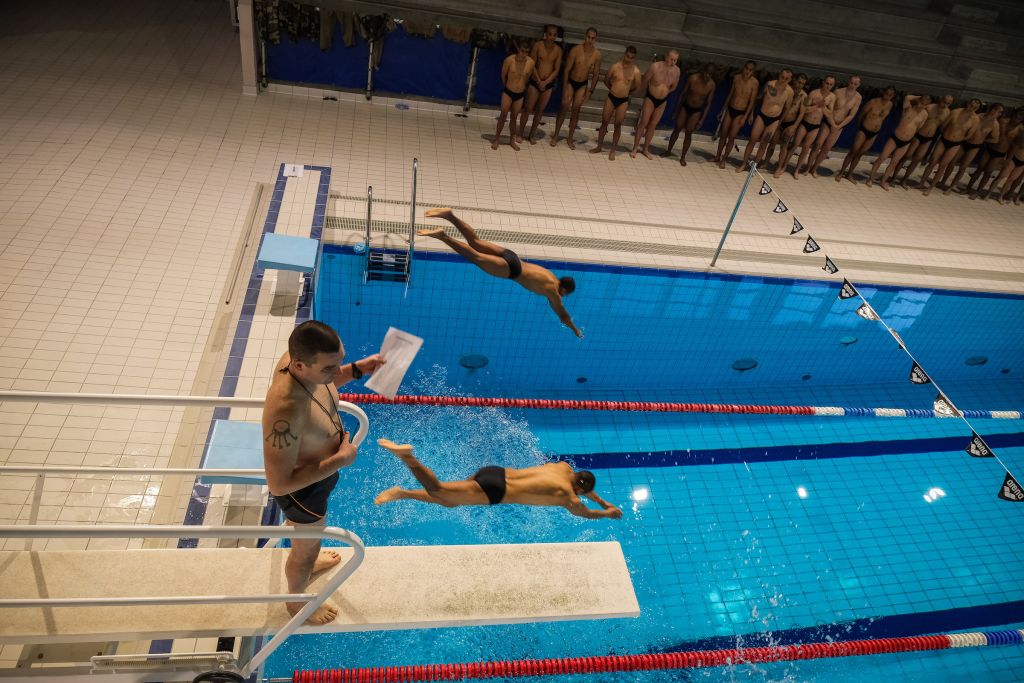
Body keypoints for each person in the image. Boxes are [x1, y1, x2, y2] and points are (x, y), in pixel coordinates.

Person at [262, 321, 386, 624]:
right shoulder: (286, 409)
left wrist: (358, 368)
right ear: (301, 364)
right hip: (303, 492)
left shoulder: (304, 366)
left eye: (339, 362)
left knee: (308, 544)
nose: (335, 373)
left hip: (320, 475)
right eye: (330, 368)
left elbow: (327, 383)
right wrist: (341, 460)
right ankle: (296, 602)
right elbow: (278, 484)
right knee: (304, 551)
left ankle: (309, 556)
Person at [418, 208, 583, 337]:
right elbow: (562, 314)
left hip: (513, 257)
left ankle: (449, 215)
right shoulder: (553, 292)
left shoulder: (550, 276)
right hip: (512, 271)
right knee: (474, 256)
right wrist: (575, 329)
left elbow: (550, 300)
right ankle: (442, 236)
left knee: (475, 242)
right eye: (566, 295)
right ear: (565, 290)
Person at [374, 439, 623, 519]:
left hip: (494, 472)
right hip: (495, 490)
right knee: (438, 490)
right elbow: (585, 514)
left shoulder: (564, 468)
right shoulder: (568, 497)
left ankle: (402, 493)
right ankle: (408, 458)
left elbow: (585, 489)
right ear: (578, 490)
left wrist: (602, 500)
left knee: (450, 501)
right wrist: (607, 513)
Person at [550, 27, 602, 150]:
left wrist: (591, 91)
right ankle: (556, 135)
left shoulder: (597, 55)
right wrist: (565, 88)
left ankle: (570, 138)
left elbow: (596, 74)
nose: (590, 40)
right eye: (588, 37)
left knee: (576, 109)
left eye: (593, 38)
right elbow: (567, 70)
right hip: (571, 82)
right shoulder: (576, 50)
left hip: (582, 84)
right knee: (564, 106)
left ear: (596, 39)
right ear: (585, 36)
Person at [774, 75, 835, 179]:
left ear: (833, 86)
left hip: (816, 126)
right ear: (823, 82)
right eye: (827, 83)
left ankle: (797, 169)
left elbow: (829, 114)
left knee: (806, 148)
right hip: (805, 123)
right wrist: (816, 106)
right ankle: (784, 166)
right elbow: (805, 110)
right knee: (795, 145)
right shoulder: (813, 93)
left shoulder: (832, 97)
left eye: (830, 84)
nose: (828, 86)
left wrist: (823, 106)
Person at [865, 94, 931, 190]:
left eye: (925, 104)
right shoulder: (908, 108)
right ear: (918, 101)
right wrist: (919, 97)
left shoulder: (924, 115)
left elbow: (918, 128)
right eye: (921, 102)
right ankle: (870, 179)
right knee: (882, 158)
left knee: (894, 162)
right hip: (895, 138)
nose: (922, 106)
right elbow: (907, 97)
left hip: (906, 142)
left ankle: (883, 181)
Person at [919, 98, 982, 196]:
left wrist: (959, 138)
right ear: (968, 103)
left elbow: (969, 135)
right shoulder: (955, 112)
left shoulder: (975, 120)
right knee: (933, 161)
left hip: (955, 144)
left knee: (943, 166)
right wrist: (945, 135)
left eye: (975, 108)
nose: (971, 109)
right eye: (971, 106)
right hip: (944, 140)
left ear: (977, 109)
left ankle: (930, 188)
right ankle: (921, 183)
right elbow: (944, 126)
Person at [737, 68, 794, 171]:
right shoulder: (769, 85)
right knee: (752, 139)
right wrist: (751, 114)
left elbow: (787, 108)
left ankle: (754, 166)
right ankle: (744, 164)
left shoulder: (789, 92)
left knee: (764, 143)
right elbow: (758, 99)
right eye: (782, 77)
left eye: (786, 79)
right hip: (762, 116)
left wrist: (779, 122)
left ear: (790, 80)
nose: (784, 80)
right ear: (779, 76)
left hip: (774, 120)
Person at [836, 86, 895, 183]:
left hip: (874, 133)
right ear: (883, 93)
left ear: (893, 96)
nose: (888, 96)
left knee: (860, 153)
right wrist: (860, 128)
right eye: (887, 94)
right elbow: (861, 115)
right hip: (863, 130)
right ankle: (841, 172)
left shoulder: (890, 105)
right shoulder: (873, 102)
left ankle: (849, 174)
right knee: (854, 151)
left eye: (890, 95)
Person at [591, 46, 641, 160]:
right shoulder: (615, 67)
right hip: (611, 97)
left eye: (631, 58)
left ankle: (613, 150)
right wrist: (612, 89)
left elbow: (638, 87)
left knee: (617, 125)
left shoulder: (636, 71)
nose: (628, 59)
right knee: (604, 121)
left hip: (623, 101)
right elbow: (606, 80)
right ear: (624, 54)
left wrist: (628, 93)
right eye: (627, 56)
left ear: (634, 58)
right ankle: (599, 146)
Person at [941, 102, 1002, 195]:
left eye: (999, 112)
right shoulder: (978, 117)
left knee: (963, 167)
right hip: (964, 142)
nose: (996, 113)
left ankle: (951, 186)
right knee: (952, 162)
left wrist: (983, 139)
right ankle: (943, 182)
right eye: (995, 109)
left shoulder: (995, 125)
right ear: (990, 109)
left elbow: (995, 139)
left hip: (975, 146)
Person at [662, 63, 716, 165]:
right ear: (702, 71)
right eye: (706, 73)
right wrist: (676, 111)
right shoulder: (693, 78)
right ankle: (668, 151)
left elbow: (708, 104)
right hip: (685, 106)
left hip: (697, 111)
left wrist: (702, 120)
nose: (707, 76)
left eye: (710, 74)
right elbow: (682, 94)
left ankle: (682, 157)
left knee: (689, 132)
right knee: (677, 128)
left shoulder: (711, 85)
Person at [630, 50, 681, 159]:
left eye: (675, 60)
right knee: (643, 123)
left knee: (653, 125)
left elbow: (674, 87)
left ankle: (645, 149)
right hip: (650, 98)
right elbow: (645, 81)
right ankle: (635, 148)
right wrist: (640, 94)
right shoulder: (655, 67)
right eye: (671, 59)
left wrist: (665, 93)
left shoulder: (677, 71)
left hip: (663, 101)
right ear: (666, 56)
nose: (673, 62)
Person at [517, 25, 563, 145]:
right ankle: (520, 133)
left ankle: (531, 135)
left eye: (554, 35)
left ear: (556, 36)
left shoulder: (558, 50)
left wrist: (546, 82)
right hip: (535, 81)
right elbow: (532, 64)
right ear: (545, 34)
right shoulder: (538, 46)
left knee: (540, 111)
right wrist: (538, 81)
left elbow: (557, 70)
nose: (552, 37)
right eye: (550, 34)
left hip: (547, 84)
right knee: (528, 108)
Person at [895, 94, 953, 188]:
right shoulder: (929, 107)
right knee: (907, 156)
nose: (945, 105)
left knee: (917, 159)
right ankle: (894, 177)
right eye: (944, 102)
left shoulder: (947, 113)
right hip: (918, 135)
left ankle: (904, 180)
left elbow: (941, 127)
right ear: (940, 99)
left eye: (948, 104)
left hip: (929, 138)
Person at [808, 75, 861, 177]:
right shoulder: (838, 92)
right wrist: (832, 123)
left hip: (839, 126)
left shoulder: (858, 98)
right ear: (848, 82)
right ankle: (808, 167)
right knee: (818, 144)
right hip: (828, 122)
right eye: (851, 83)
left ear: (858, 85)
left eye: (855, 84)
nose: (852, 86)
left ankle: (814, 168)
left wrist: (838, 126)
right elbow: (829, 108)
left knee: (826, 149)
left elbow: (851, 115)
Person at [970, 107, 1024, 200]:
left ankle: (977, 192)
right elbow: (990, 125)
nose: (1016, 119)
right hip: (990, 148)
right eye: (1016, 116)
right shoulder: (1002, 121)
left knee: (988, 172)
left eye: (1019, 118)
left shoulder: (1020, 130)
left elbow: (1015, 147)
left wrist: (1008, 159)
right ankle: (968, 188)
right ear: (1013, 114)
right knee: (979, 168)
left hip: (1001, 153)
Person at [714, 61, 759, 169]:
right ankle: (717, 156)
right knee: (723, 134)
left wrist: (746, 116)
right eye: (746, 68)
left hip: (741, 112)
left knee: (732, 136)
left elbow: (752, 101)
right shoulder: (737, 78)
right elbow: (730, 94)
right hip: (730, 109)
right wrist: (723, 109)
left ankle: (724, 159)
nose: (748, 71)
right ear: (744, 68)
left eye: (750, 70)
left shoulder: (754, 83)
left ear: (753, 72)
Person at [492, 41, 535, 151]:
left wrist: (521, 87)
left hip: (520, 94)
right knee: (503, 115)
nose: (524, 54)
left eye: (526, 52)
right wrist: (507, 86)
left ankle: (512, 140)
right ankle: (497, 139)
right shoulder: (509, 60)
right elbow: (503, 74)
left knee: (514, 117)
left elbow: (528, 77)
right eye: (522, 51)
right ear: (518, 50)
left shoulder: (531, 63)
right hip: (508, 92)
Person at [759, 72, 807, 168]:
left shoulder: (803, 96)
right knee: (772, 143)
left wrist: (794, 127)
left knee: (784, 146)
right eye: (799, 82)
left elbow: (802, 113)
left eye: (802, 83)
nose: (800, 85)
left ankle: (779, 167)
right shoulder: (786, 89)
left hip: (790, 123)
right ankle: (766, 162)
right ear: (794, 80)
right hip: (778, 120)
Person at [991, 128, 1024, 205]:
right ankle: (988, 193)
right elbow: (1014, 148)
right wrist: (1008, 160)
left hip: (1022, 163)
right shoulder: (1022, 133)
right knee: (1001, 176)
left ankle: (1001, 196)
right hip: (1014, 158)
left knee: (1010, 180)